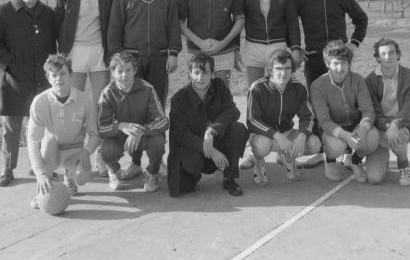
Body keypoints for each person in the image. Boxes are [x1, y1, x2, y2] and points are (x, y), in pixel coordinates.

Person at [107, 0, 180, 180]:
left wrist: (174, 52)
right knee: (136, 109)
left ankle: (157, 161)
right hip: (133, 59)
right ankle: (136, 162)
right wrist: (120, 59)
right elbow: (115, 27)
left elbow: (173, 23)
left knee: (157, 109)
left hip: (159, 58)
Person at [0, 0, 57, 187]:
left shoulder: (48, 14)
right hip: (11, 81)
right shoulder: (3, 12)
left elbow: (54, 44)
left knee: (40, 128)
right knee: (11, 129)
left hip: (40, 80)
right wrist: (11, 66)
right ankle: (8, 168)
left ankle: (40, 166)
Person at [294, 0, 368, 168]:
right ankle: (321, 150)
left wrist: (353, 43)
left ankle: (346, 149)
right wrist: (297, 47)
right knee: (318, 106)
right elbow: (288, 22)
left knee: (345, 103)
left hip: (339, 60)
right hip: (315, 59)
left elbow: (361, 19)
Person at [239, 0, 302, 170]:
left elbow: (292, 19)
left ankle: (283, 148)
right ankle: (254, 150)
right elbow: (239, 20)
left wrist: (296, 47)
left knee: (280, 96)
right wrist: (238, 49)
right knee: (255, 97)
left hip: (277, 46)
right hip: (254, 47)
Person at [55, 0, 115, 176]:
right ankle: (74, 157)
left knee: (102, 105)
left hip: (100, 50)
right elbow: (58, 24)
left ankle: (100, 155)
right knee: (75, 105)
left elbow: (113, 22)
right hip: (74, 51)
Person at [168, 53, 249, 197]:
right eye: (196, 72)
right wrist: (211, 151)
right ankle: (193, 177)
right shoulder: (179, 99)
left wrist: (212, 130)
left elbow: (232, 111)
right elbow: (179, 134)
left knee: (237, 129)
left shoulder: (219, 87)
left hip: (214, 140)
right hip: (193, 148)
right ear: (190, 74)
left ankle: (230, 177)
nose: (200, 78)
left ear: (212, 74)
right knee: (184, 187)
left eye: (205, 72)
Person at [27, 54, 100, 207]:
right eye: (54, 75)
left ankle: (71, 176)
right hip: (51, 151)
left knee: (83, 177)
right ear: (48, 78)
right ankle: (43, 188)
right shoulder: (39, 102)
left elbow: (94, 134)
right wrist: (40, 174)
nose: (58, 79)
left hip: (75, 150)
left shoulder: (85, 99)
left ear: (70, 75)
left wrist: (86, 151)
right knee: (49, 140)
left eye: (63, 74)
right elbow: (33, 142)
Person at [97, 52, 168, 192]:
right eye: (120, 71)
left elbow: (163, 121)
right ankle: (115, 172)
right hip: (121, 134)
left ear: (135, 70)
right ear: (113, 73)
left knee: (158, 143)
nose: (124, 75)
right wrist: (121, 126)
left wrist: (140, 131)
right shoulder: (107, 93)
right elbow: (102, 128)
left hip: (144, 133)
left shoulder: (147, 88)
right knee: (106, 150)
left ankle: (152, 173)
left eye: (128, 70)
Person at [309, 42, 378, 183]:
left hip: (355, 125)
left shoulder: (358, 79)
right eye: (336, 63)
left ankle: (355, 160)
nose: (340, 68)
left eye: (344, 63)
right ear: (327, 63)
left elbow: (368, 112)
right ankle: (330, 159)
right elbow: (324, 121)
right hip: (334, 128)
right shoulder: (317, 86)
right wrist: (346, 136)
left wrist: (362, 130)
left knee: (373, 137)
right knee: (336, 146)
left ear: (349, 64)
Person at [246, 49, 316, 185]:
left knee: (314, 144)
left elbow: (308, 116)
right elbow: (252, 120)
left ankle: (288, 158)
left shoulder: (298, 88)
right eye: (278, 68)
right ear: (270, 70)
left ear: (293, 69)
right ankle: (258, 162)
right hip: (263, 136)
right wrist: (278, 136)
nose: (283, 73)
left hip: (287, 132)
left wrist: (301, 137)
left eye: (287, 68)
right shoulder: (257, 88)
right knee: (262, 146)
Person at [176, 0, 244, 86]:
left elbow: (240, 19)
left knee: (221, 95)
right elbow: (179, 22)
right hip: (197, 51)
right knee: (196, 95)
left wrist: (223, 43)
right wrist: (200, 42)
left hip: (224, 51)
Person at [364, 38, 410, 187]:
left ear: (398, 55)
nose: (387, 57)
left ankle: (403, 166)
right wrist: (388, 126)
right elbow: (372, 112)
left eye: (391, 53)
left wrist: (395, 124)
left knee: (399, 134)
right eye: (383, 54)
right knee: (374, 178)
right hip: (380, 128)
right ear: (377, 58)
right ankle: (384, 155)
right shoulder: (369, 81)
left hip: (401, 126)